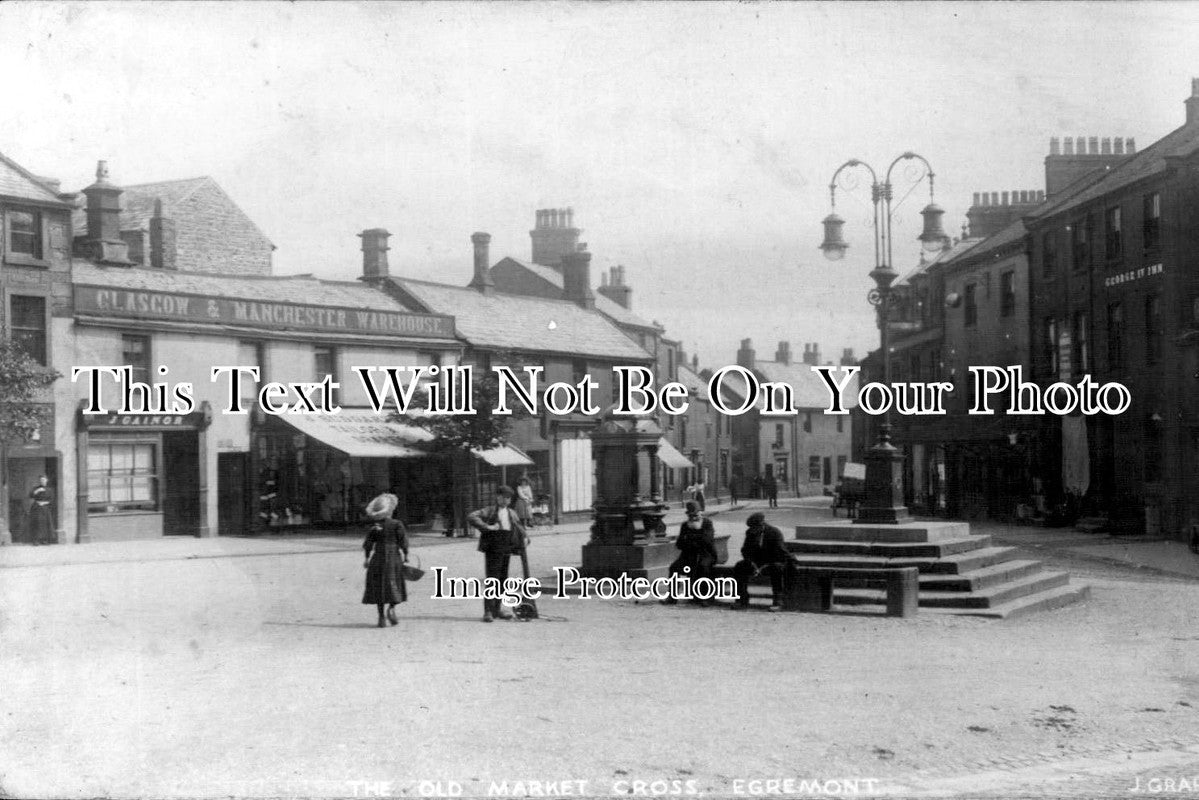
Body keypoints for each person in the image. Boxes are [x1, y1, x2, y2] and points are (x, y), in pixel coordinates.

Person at [468, 486, 528, 623]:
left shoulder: (512, 513)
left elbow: (519, 527)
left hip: (507, 547)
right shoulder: (489, 510)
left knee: (502, 579)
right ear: (497, 497)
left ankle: (497, 609)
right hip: (493, 547)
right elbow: (471, 516)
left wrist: (525, 537)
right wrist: (487, 527)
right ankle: (488, 611)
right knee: (492, 579)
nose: (505, 500)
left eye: (508, 498)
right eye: (503, 497)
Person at [361, 493, 409, 628]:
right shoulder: (397, 524)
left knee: (379, 586)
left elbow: (368, 545)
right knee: (395, 583)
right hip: (393, 557)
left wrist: (366, 558)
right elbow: (403, 542)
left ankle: (381, 617)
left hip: (378, 557)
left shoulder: (374, 527)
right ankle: (391, 608)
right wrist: (406, 555)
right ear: (390, 510)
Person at [732, 512, 795, 611]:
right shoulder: (750, 533)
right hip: (755, 563)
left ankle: (778, 601)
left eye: (755, 528)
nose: (753, 531)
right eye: (752, 528)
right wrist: (751, 562)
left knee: (777, 569)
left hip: (772, 562)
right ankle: (741, 600)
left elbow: (779, 551)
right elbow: (745, 550)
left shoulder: (774, 532)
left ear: (762, 525)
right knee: (739, 566)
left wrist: (766, 565)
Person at [662, 500, 719, 606]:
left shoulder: (707, 523)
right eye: (690, 516)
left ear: (700, 513)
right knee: (674, 568)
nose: (693, 518)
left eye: (695, 515)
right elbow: (679, 544)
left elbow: (707, 541)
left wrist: (691, 536)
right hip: (688, 555)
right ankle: (672, 597)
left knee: (703, 567)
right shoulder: (685, 525)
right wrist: (694, 539)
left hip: (706, 554)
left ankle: (705, 597)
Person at [28, 475, 54, 546]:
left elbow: (52, 499)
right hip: (37, 508)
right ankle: (36, 540)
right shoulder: (36, 488)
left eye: (44, 480)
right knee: (37, 523)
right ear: (39, 481)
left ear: (47, 480)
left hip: (45, 508)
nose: (42, 481)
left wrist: (45, 503)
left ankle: (44, 540)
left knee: (45, 524)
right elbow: (30, 495)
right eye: (41, 480)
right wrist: (37, 491)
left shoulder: (50, 489)